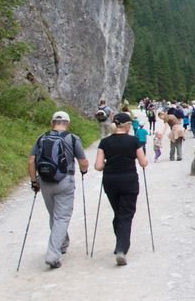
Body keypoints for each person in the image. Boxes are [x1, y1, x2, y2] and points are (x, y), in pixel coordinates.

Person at [27, 110, 89, 269]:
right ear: (67, 123)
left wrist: (34, 182)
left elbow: (31, 161)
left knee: (55, 214)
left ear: (52, 122)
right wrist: (83, 171)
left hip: (45, 181)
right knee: (61, 217)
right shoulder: (72, 138)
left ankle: (62, 243)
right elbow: (83, 161)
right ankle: (53, 255)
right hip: (64, 181)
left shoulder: (41, 137)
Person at [94, 111, 149, 266]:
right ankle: (121, 249)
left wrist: (106, 164)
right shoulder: (134, 141)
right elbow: (143, 162)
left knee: (119, 213)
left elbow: (98, 166)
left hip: (110, 181)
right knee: (126, 214)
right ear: (127, 125)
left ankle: (120, 243)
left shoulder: (104, 142)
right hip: (129, 181)